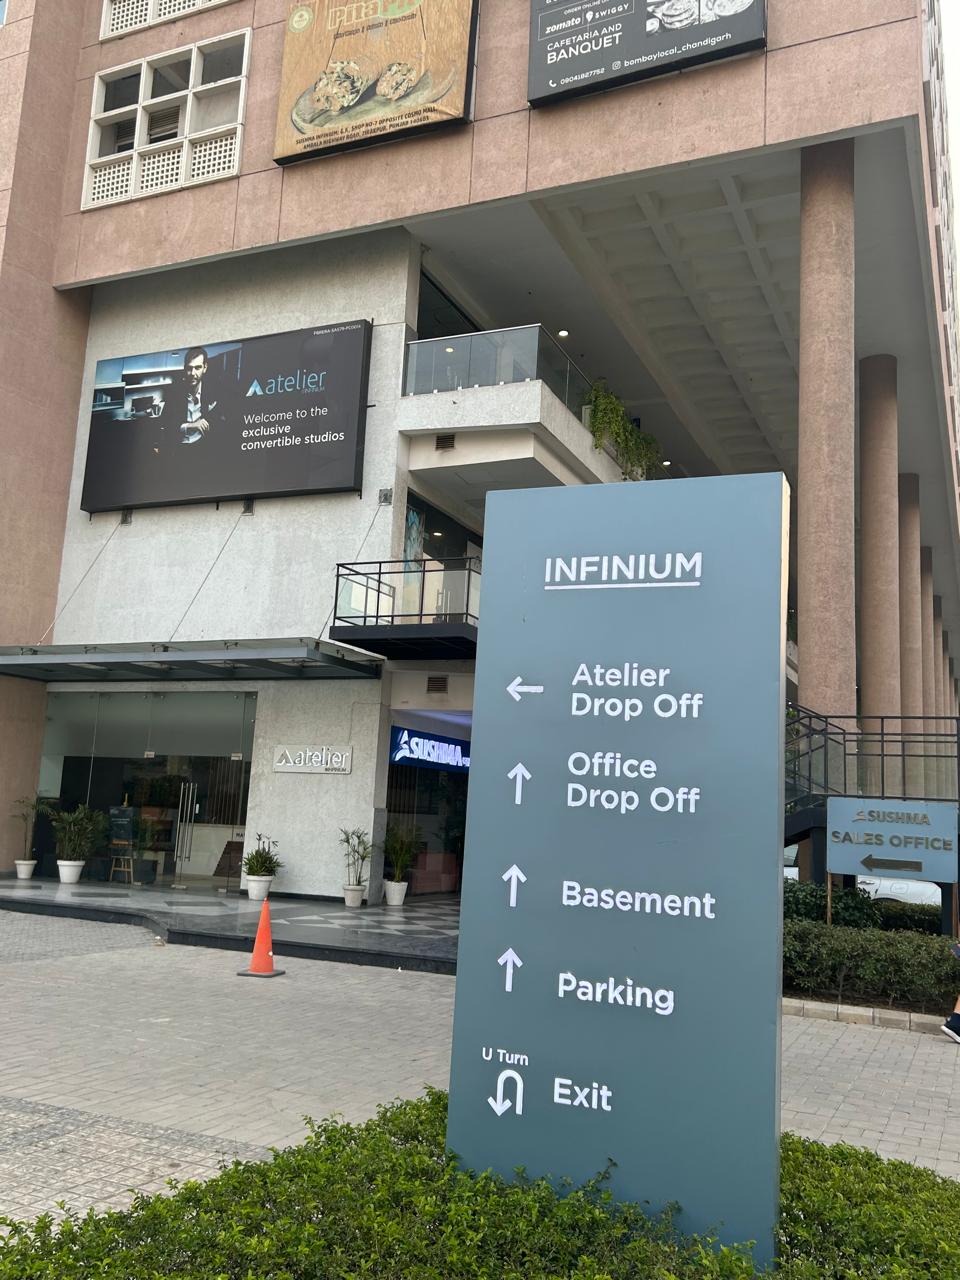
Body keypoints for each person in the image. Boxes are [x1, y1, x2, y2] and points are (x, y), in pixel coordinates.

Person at [157, 347, 224, 448]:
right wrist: (191, 426)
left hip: (203, 445)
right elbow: (166, 424)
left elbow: (220, 417)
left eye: (197, 368)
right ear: (185, 368)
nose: (192, 373)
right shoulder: (173, 392)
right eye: (189, 368)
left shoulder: (213, 390)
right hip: (178, 447)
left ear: (205, 368)